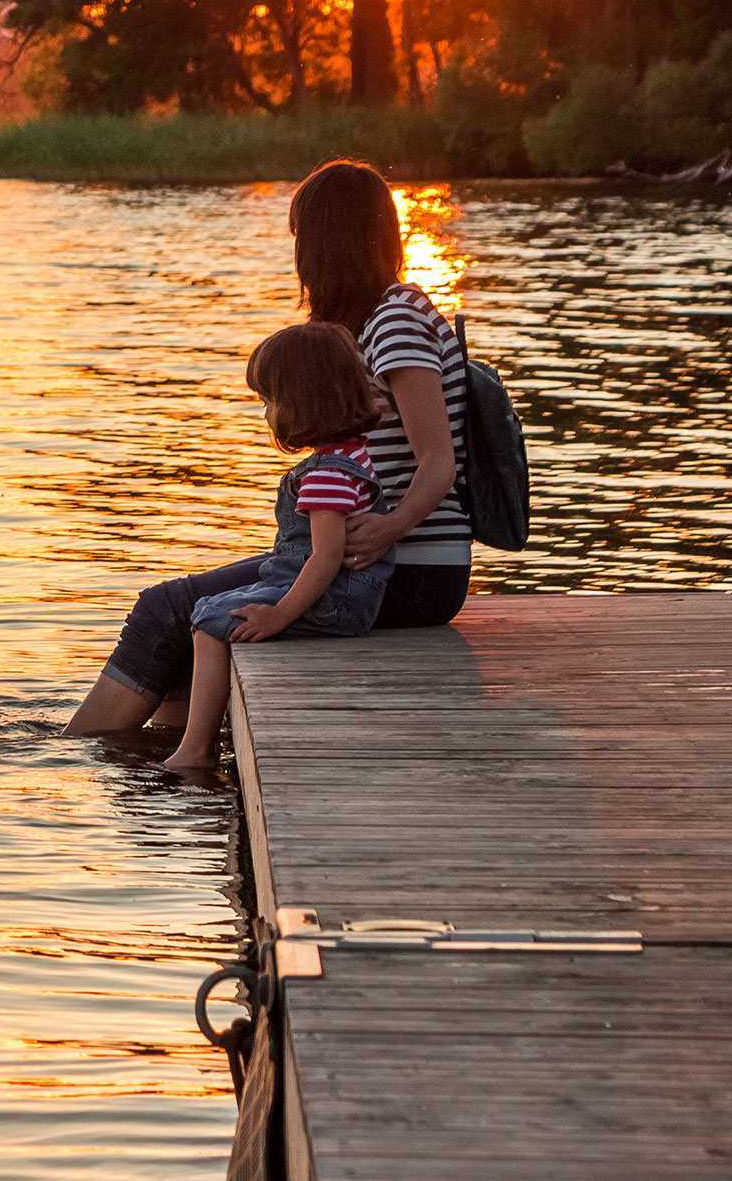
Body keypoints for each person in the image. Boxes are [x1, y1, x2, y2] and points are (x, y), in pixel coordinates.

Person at [65, 158, 471, 739]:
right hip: (383, 564)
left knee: (166, 608)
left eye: (302, 235)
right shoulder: (380, 319)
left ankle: (82, 750)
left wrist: (389, 527)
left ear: (327, 241)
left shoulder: (395, 322)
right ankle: (156, 749)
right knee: (182, 611)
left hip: (407, 572)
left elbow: (439, 461)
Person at [158, 323, 394, 774]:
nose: (267, 415)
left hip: (332, 602)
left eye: (270, 402)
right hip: (330, 592)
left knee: (210, 621)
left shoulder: (327, 475)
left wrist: (280, 614)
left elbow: (325, 557)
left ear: (305, 403)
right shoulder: (353, 454)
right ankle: (190, 734)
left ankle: (196, 748)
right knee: (211, 607)